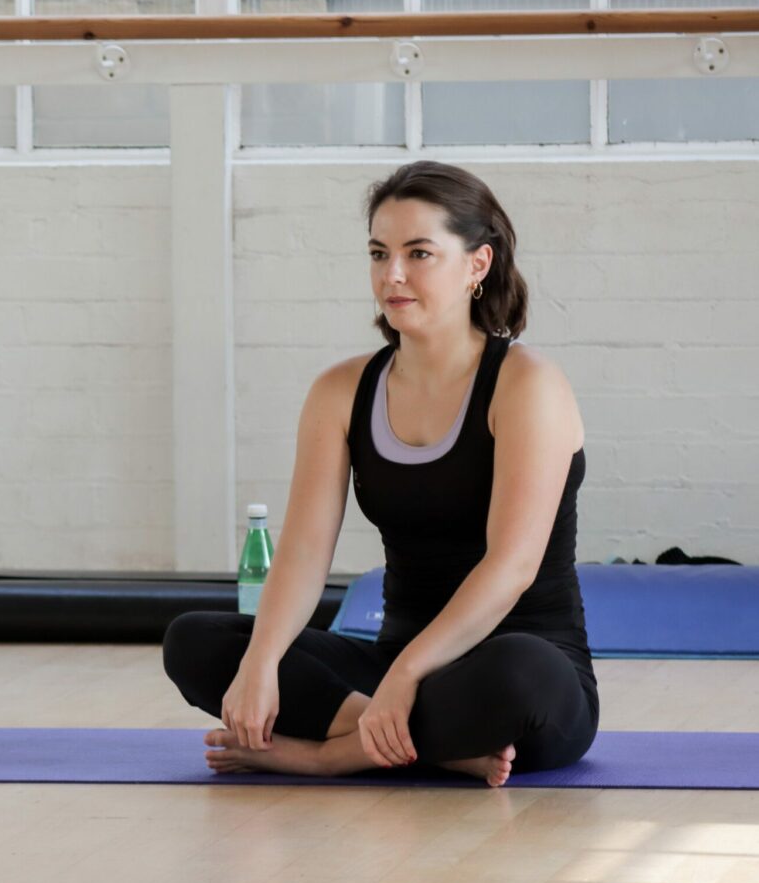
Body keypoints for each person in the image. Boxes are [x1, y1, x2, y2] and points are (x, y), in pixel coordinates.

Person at [162, 160, 597, 788]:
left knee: (519, 675)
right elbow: (306, 552)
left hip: (514, 671)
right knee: (195, 640)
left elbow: (511, 568)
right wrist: (260, 661)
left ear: (478, 263)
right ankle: (421, 744)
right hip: (392, 671)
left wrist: (404, 679)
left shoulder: (528, 385)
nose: (392, 275)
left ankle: (334, 754)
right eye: (379, 253)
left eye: (419, 253)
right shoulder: (341, 391)